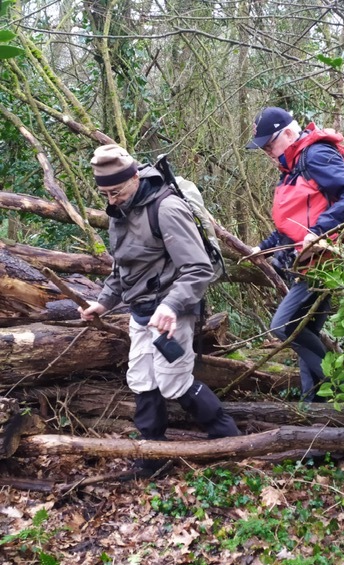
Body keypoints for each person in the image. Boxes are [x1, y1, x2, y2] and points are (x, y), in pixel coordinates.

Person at [79, 144, 241, 460]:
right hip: (140, 312)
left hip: (173, 313)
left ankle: (230, 441)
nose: (111, 200)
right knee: (142, 379)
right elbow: (122, 268)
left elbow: (198, 268)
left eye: (116, 191)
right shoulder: (120, 211)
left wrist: (170, 306)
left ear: (135, 178)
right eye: (105, 194)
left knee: (173, 382)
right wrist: (103, 302)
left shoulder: (166, 209)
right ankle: (152, 456)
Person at [246, 107, 344, 402]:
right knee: (306, 329)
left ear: (289, 133)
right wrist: (263, 247)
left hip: (324, 262)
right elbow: (293, 223)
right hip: (307, 261)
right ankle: (313, 406)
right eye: (263, 148)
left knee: (283, 326)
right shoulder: (292, 167)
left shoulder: (314, 156)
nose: (267, 153)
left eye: (269, 145)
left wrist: (320, 230)